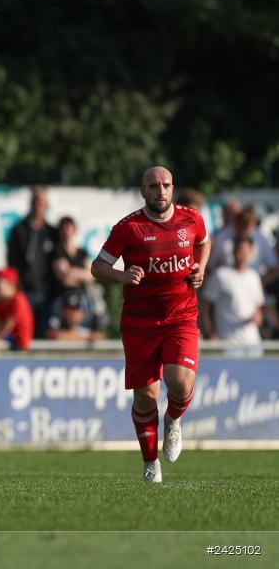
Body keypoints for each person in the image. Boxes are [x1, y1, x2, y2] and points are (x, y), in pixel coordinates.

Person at [91, 166, 210, 483]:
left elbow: (204, 242)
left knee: (181, 383)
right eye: (154, 186)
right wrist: (121, 275)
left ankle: (172, 421)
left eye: (166, 185)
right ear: (143, 191)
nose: (161, 191)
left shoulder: (192, 219)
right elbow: (97, 266)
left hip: (181, 315)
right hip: (140, 322)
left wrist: (200, 268)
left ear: (174, 188)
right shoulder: (129, 228)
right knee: (145, 397)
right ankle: (150, 465)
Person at [6, 188, 59, 337]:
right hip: (24, 291)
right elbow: (12, 261)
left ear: (47, 206)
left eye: (42, 203)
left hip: (47, 292)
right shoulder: (18, 230)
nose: (39, 207)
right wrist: (17, 286)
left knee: (43, 333)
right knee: (24, 333)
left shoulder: (52, 232)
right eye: (36, 202)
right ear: (31, 203)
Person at [202, 236, 265, 355]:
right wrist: (210, 333)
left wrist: (258, 317)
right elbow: (205, 306)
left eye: (245, 251)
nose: (241, 254)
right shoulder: (220, 275)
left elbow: (258, 308)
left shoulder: (254, 276)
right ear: (233, 251)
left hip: (253, 343)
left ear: (251, 253)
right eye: (239, 250)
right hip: (228, 344)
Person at [0, 267, 33, 351]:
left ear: (11, 284)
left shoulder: (18, 299)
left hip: (19, 343)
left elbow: (11, 322)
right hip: (8, 341)